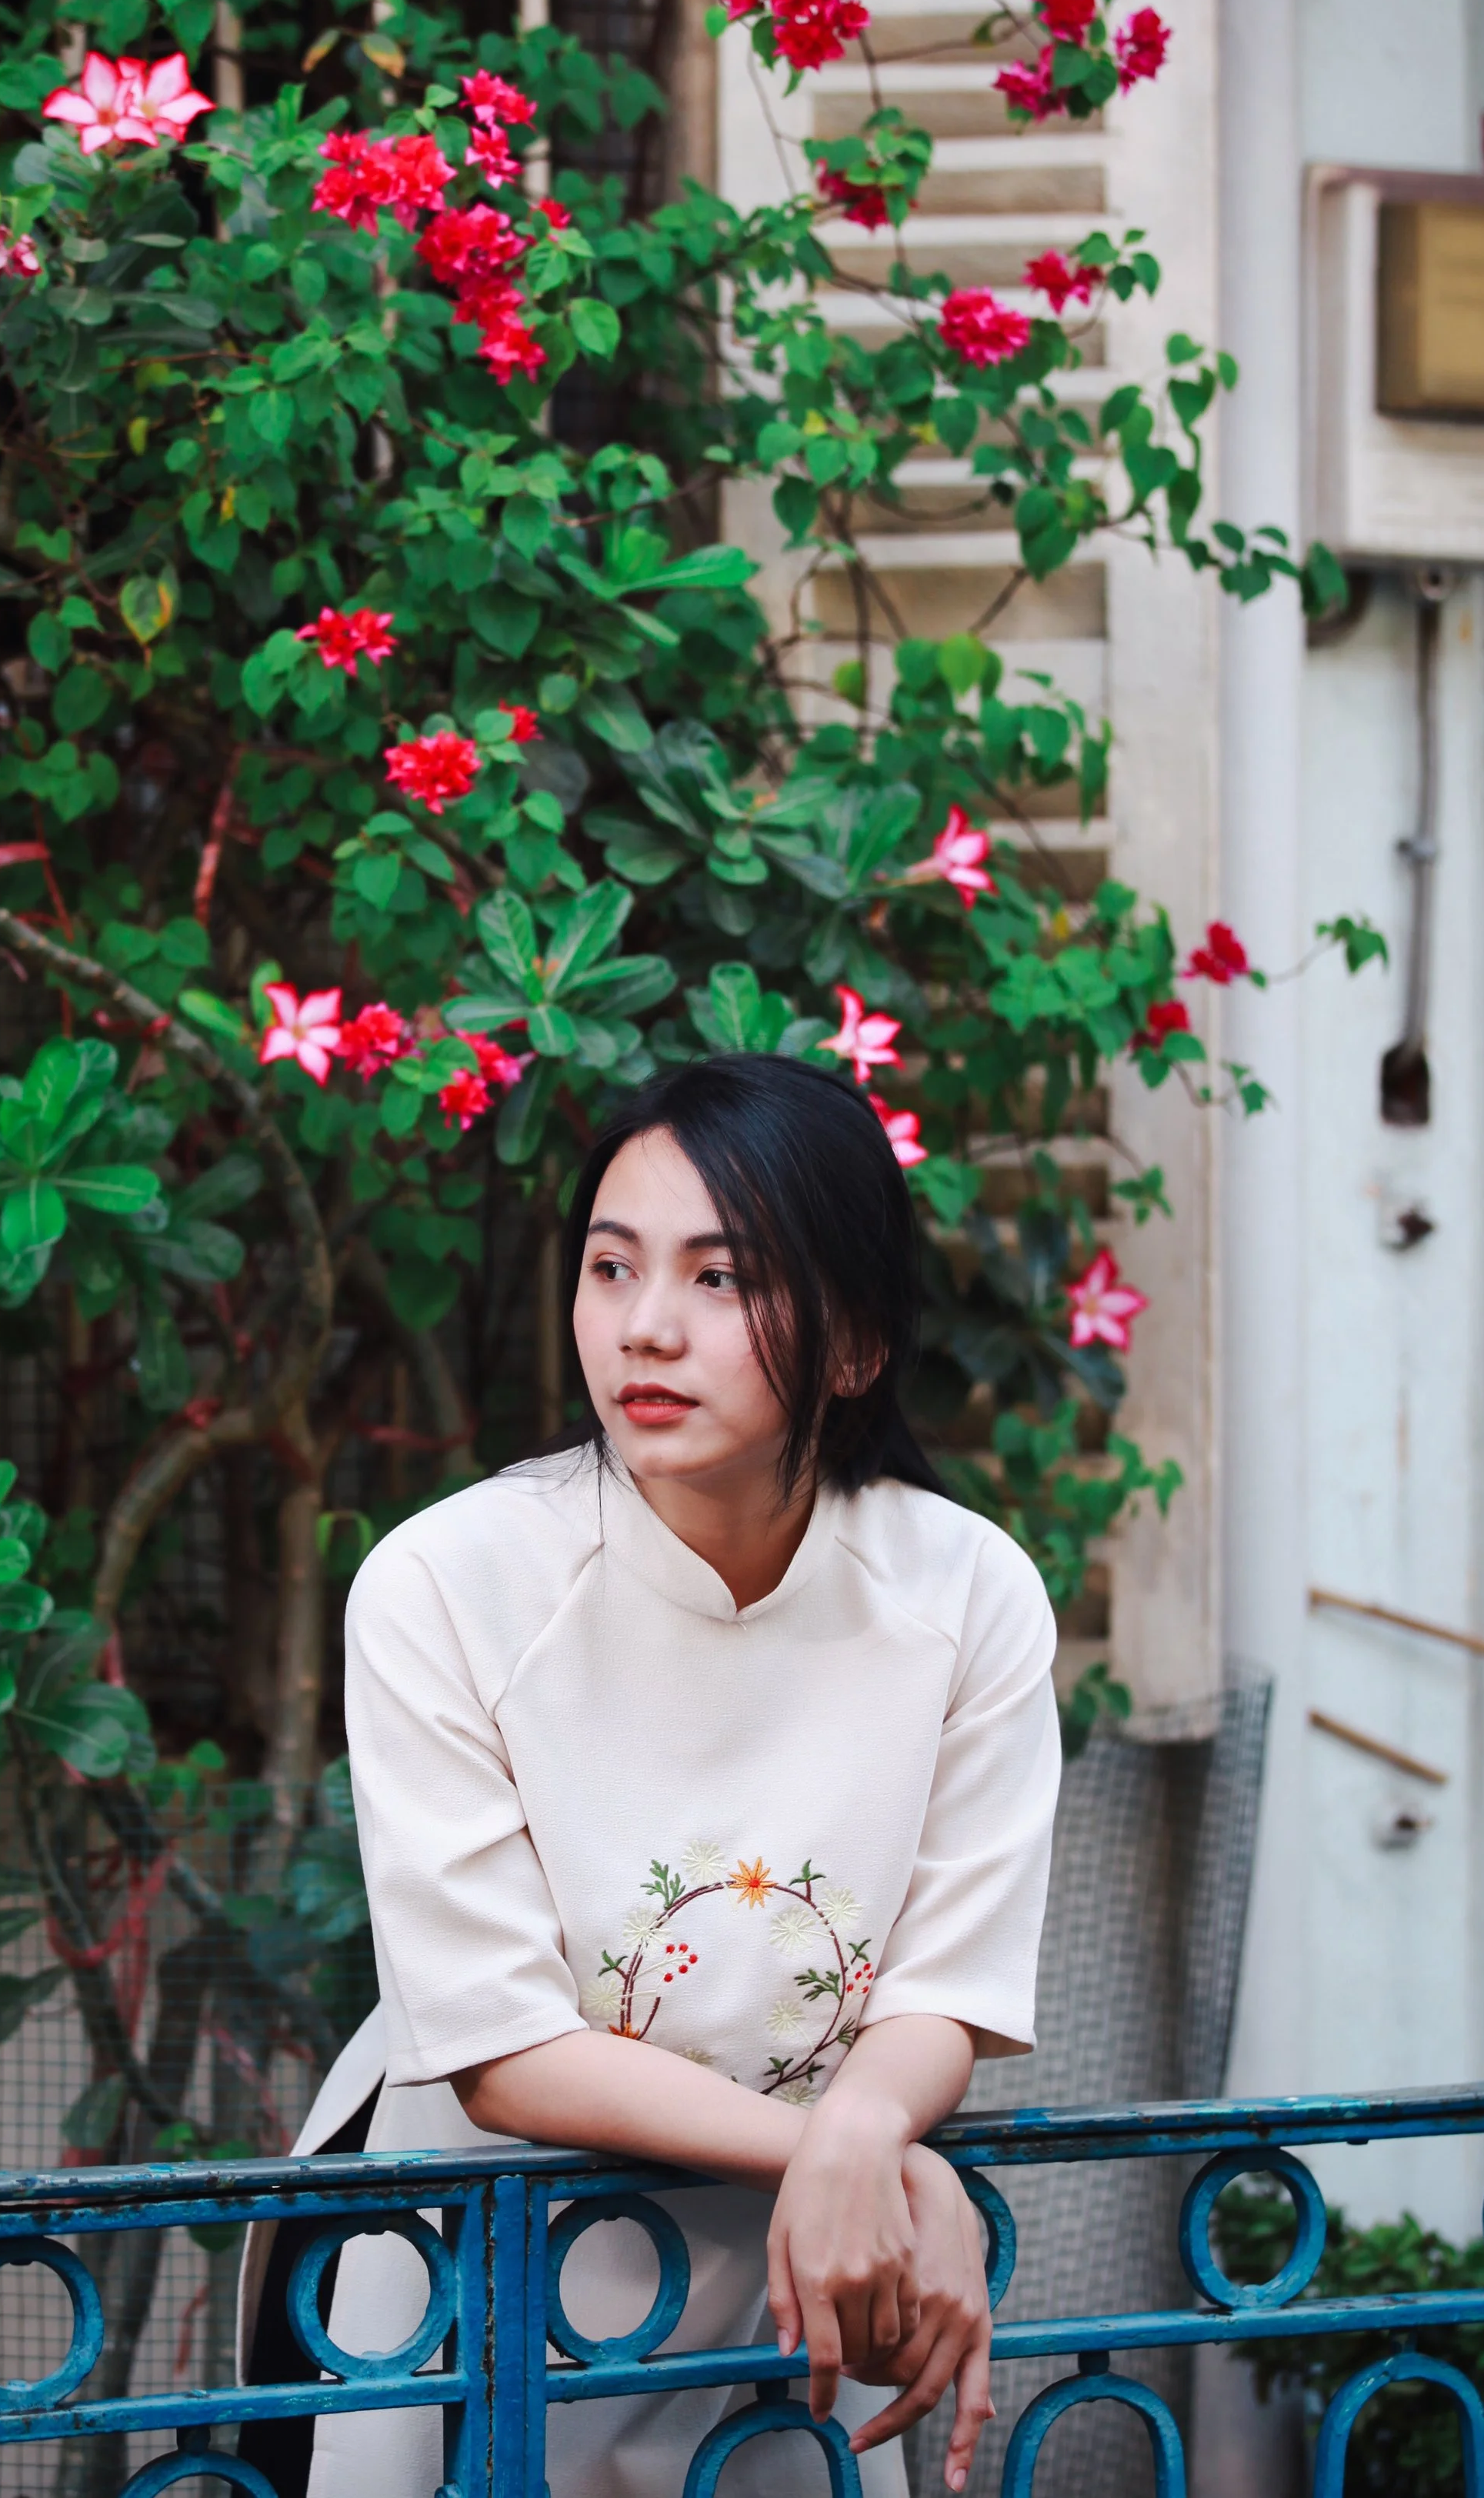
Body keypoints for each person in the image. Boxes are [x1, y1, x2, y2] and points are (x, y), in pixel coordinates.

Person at [240, 1052, 1060, 2498]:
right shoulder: (446, 1583)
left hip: (789, 2266)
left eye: (722, 1279)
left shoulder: (968, 1595)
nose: (647, 1330)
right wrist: (859, 2157)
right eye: (612, 1269)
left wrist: (869, 2138)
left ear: (858, 1341)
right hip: (466, 2270)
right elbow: (501, 2048)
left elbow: (951, 1986)